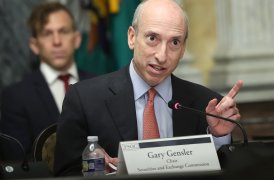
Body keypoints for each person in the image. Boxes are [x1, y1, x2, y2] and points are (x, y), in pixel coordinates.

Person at [54, 0, 243, 176]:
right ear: (131, 37)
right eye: (153, 38)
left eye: (174, 42)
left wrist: (219, 136)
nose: (162, 56)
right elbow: (65, 172)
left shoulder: (206, 104)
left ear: (183, 49)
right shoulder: (84, 99)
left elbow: (228, 173)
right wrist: (98, 170)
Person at [0, 2, 94, 161]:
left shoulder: (99, 85)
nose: (56, 41)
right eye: (47, 33)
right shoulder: (15, 97)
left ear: (77, 39)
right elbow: (18, 163)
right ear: (34, 45)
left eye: (63, 31)